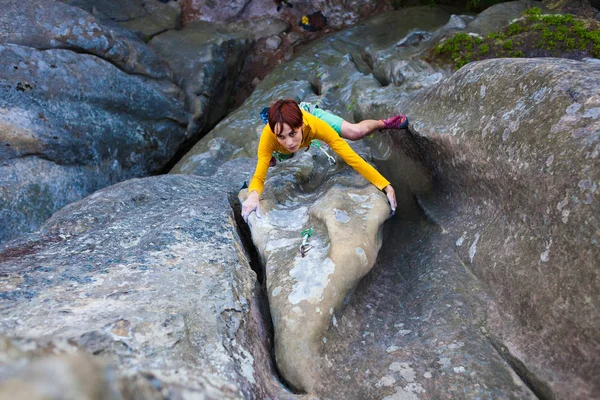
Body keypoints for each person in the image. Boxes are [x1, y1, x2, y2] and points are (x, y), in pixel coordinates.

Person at [241, 99, 408, 221]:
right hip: (279, 147)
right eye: (282, 137)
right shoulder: (268, 137)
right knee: (281, 154)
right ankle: (275, 154)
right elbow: (259, 177)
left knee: (354, 132)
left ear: (301, 126)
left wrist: (385, 185)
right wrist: (253, 196)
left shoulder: (315, 125)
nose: (289, 141)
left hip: (309, 114)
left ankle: (383, 123)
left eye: (292, 134)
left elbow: (352, 158)